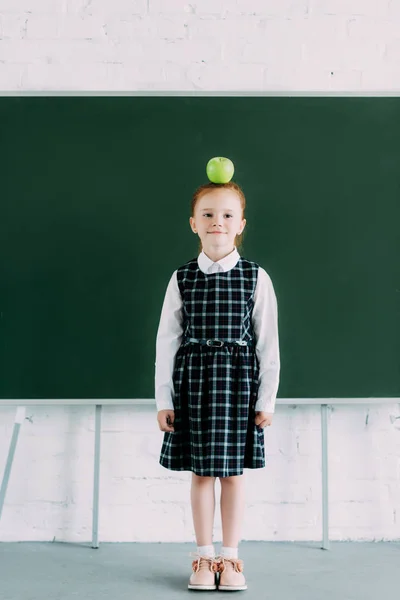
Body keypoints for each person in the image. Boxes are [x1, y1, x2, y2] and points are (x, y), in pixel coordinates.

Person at [155, 179, 280, 591]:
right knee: (201, 474)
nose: (217, 222)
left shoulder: (256, 278)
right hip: (194, 384)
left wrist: (267, 400)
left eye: (227, 215)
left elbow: (267, 344)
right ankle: (203, 557)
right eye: (207, 214)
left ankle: (231, 559)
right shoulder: (182, 278)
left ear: (241, 223)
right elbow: (167, 341)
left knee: (233, 475)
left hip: (238, 385)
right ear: (193, 223)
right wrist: (163, 399)